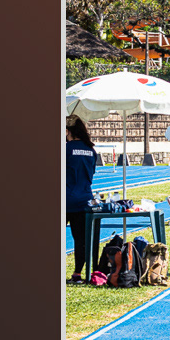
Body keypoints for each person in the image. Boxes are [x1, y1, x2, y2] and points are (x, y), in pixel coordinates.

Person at [66, 115, 97, 284]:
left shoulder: (66, 149)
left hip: (65, 198)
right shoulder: (91, 151)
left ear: (67, 131)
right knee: (81, 240)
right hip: (84, 199)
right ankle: (77, 274)